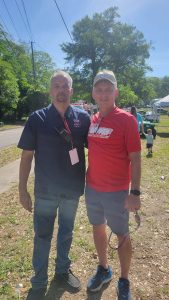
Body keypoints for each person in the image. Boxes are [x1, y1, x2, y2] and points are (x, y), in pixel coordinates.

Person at [18, 70, 90, 300]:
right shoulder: (36, 118)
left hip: (71, 191)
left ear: (71, 90)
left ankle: (61, 271)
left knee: (66, 233)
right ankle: (38, 283)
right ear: (50, 90)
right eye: (56, 86)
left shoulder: (83, 118)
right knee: (42, 237)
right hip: (46, 192)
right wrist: (22, 189)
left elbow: (98, 149)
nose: (61, 90)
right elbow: (27, 156)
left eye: (65, 86)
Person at [85, 70, 141, 299]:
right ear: (93, 94)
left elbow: (136, 158)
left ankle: (124, 279)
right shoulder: (92, 120)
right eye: (99, 89)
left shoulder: (127, 119)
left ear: (116, 92)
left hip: (117, 191)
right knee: (97, 228)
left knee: (122, 234)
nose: (104, 93)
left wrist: (134, 192)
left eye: (108, 89)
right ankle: (104, 269)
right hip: (92, 188)